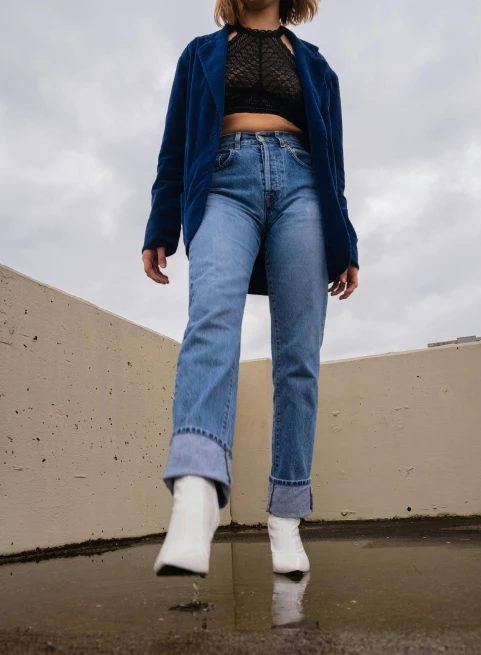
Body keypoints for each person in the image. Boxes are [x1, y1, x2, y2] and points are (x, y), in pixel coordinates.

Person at [141, 0, 359, 578]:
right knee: (210, 317)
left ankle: (286, 518)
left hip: (302, 189)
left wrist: (347, 245)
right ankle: (195, 492)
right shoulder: (201, 54)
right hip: (223, 184)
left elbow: (334, 164)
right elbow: (174, 148)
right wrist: (161, 225)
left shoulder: (314, 64)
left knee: (299, 357)